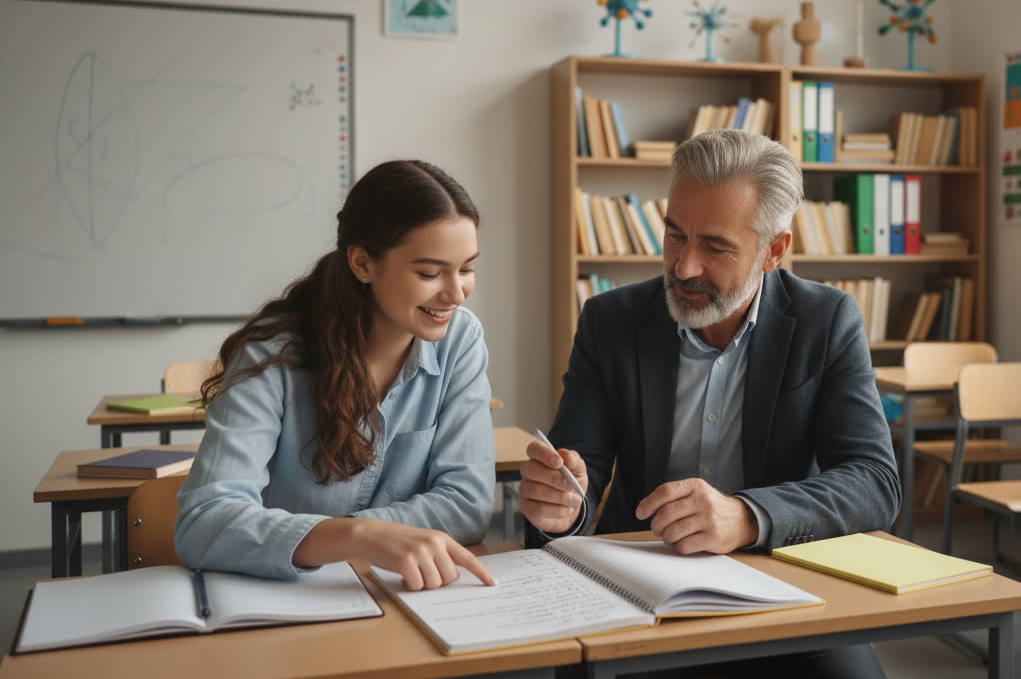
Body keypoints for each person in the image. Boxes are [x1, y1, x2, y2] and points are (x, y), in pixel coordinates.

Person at [519, 129, 900, 677]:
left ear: (773, 251)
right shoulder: (611, 321)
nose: (684, 266)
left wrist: (746, 516)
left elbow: (873, 480)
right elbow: (580, 472)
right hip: (639, 584)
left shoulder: (827, 320)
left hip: (784, 582)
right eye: (675, 235)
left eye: (716, 247)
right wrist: (560, 506)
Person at [176, 160, 496, 590]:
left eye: (467, 269)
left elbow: (467, 505)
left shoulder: (461, 340)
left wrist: (343, 536)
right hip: (288, 600)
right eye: (429, 273)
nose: (455, 293)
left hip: (404, 595)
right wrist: (357, 537)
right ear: (363, 262)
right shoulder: (273, 355)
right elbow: (203, 522)